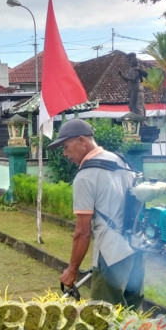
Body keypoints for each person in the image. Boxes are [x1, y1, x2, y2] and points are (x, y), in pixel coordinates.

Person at [48, 118, 144, 309]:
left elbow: (82, 233)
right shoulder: (120, 161)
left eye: (66, 147)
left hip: (111, 254)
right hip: (136, 249)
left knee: (103, 319)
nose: (65, 154)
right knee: (132, 314)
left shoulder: (85, 177)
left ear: (82, 140)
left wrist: (72, 270)